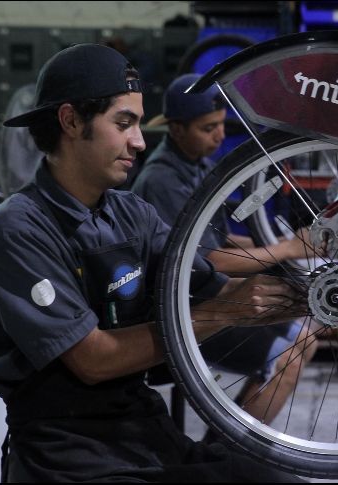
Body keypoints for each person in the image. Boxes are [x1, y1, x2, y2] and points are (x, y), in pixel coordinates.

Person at [0, 43, 305, 482]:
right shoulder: (19, 229)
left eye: (139, 124)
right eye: (123, 123)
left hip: (144, 432)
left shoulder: (132, 215)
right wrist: (225, 311)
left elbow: (208, 284)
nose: (140, 142)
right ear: (70, 121)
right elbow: (93, 360)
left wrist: (313, 295)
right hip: (68, 455)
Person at [132, 73, 320, 425]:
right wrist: (285, 251)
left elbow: (223, 241)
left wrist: (291, 248)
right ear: (176, 129)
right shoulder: (162, 180)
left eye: (220, 124)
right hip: (182, 312)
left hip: (208, 293)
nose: (219, 135)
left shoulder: (196, 165)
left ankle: (227, 449)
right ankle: (227, 462)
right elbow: (205, 259)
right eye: (207, 128)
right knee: (285, 360)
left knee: (304, 339)